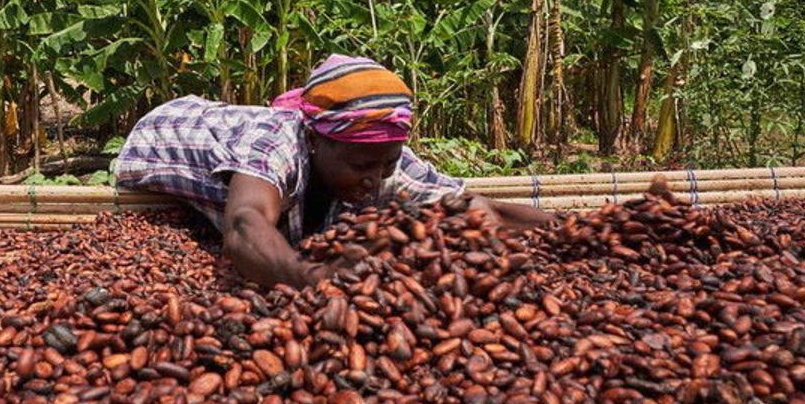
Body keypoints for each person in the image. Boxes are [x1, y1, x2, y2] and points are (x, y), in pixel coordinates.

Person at [114, 55, 553, 288]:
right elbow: (245, 227)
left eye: (388, 162)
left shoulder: (378, 156)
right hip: (166, 132)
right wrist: (311, 278)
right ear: (314, 140)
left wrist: (580, 228)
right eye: (362, 165)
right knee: (276, 223)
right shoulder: (276, 144)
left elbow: (472, 207)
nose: (375, 178)